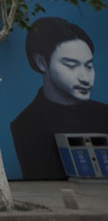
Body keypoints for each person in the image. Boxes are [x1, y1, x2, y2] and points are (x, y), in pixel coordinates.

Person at [10, 17, 108, 180]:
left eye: (89, 66)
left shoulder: (104, 114)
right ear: (42, 63)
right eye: (71, 66)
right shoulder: (25, 125)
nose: (85, 78)